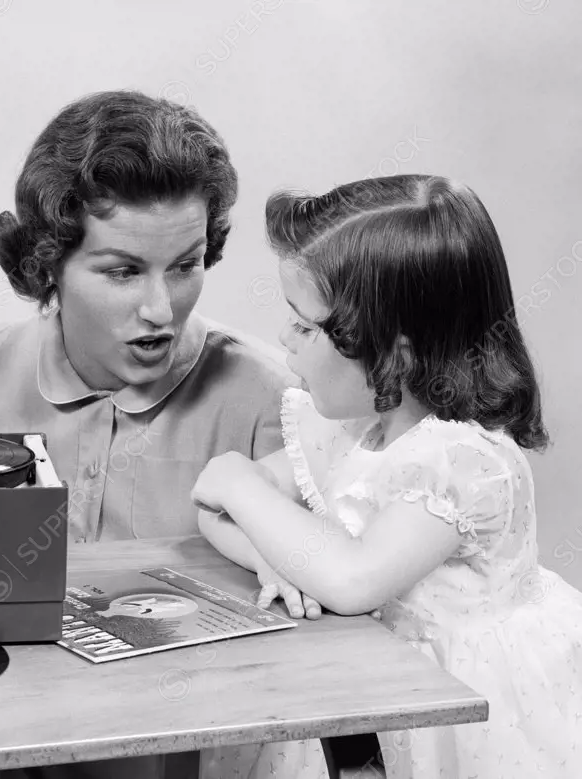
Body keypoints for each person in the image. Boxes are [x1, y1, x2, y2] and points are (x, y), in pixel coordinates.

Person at [0, 90, 303, 779]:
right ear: (47, 266)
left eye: (185, 265)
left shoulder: (272, 402)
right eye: (122, 271)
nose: (159, 309)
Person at [192, 174, 582, 778]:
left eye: (304, 324)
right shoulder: (352, 430)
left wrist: (235, 481)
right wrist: (275, 558)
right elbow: (210, 510)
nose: (282, 338)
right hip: (369, 695)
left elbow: (350, 580)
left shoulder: (464, 463)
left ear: (394, 354)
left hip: (459, 724)